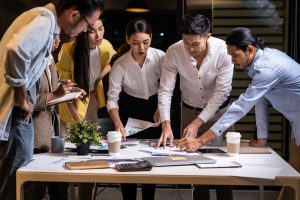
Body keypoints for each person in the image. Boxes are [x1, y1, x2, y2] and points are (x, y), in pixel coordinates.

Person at [176, 27, 300, 199]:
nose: (232, 60)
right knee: (293, 184)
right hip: (297, 126)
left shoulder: (267, 68)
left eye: (235, 55)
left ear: (249, 49)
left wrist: (200, 141)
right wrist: (262, 138)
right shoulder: (264, 57)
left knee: (294, 183)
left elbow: (242, 106)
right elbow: (260, 99)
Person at [0, 0, 104, 199]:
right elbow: (15, 50)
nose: (85, 31)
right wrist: (21, 97)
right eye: (88, 25)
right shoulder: (45, 19)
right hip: (15, 115)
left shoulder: (43, 20)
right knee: (15, 189)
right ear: (74, 14)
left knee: (17, 185)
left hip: (18, 115)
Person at [156, 14, 234, 200]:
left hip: (220, 113)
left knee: (224, 168)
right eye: (186, 42)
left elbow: (221, 93)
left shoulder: (224, 51)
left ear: (208, 36)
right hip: (189, 110)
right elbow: (165, 90)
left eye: (195, 44)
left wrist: (197, 123)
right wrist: (166, 124)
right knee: (196, 169)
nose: (190, 48)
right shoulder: (174, 51)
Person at [56, 18, 116, 200]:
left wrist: (99, 78)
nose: (98, 35)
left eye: (101, 28)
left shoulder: (105, 45)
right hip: (71, 107)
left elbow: (115, 59)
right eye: (92, 31)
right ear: (83, 31)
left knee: (89, 159)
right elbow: (65, 90)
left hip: (92, 103)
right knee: (66, 158)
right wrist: (77, 121)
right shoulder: (68, 50)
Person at [106, 18, 165, 200]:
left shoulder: (161, 57)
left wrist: (160, 108)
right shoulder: (120, 64)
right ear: (127, 40)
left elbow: (168, 87)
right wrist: (117, 123)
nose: (141, 48)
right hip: (129, 110)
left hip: (155, 107)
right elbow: (112, 99)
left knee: (151, 160)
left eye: (146, 42)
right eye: (135, 43)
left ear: (151, 38)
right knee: (127, 162)